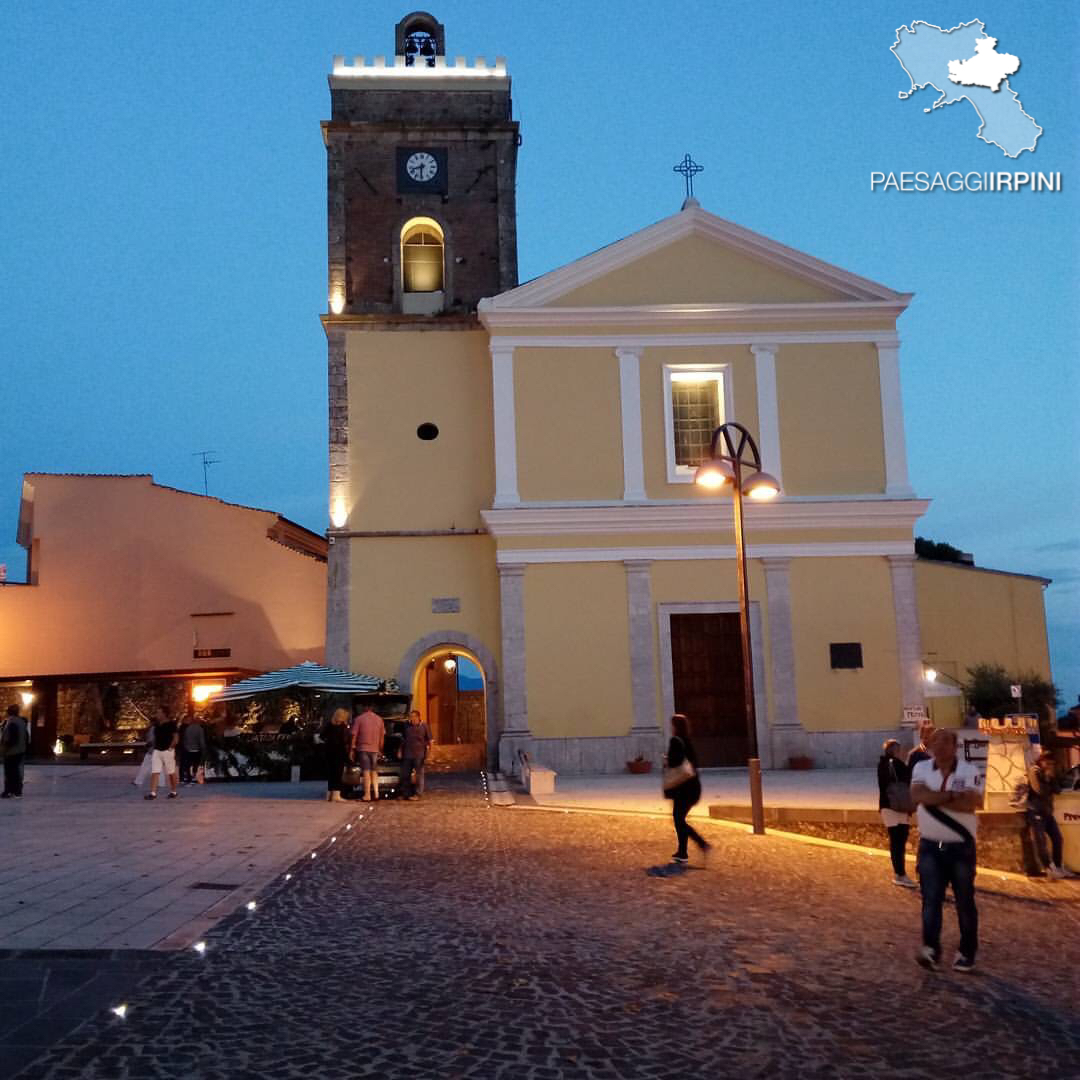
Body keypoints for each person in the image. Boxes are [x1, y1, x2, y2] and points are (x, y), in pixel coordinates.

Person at [910, 728, 984, 972]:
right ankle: (931, 949)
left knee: (965, 900)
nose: (939, 746)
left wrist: (934, 797)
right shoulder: (921, 768)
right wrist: (952, 795)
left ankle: (967, 952)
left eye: (944, 741)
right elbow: (917, 794)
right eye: (935, 741)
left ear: (955, 746)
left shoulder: (969, 771)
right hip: (930, 846)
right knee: (930, 900)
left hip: (961, 847)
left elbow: (971, 803)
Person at [663, 714, 711, 865]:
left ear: (675, 727)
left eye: (672, 725)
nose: (670, 728)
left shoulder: (675, 741)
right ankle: (682, 852)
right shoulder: (688, 741)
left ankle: (701, 844)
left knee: (679, 819)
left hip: (682, 788)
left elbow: (675, 761)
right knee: (679, 819)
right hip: (693, 786)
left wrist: (667, 760)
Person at [1025, 752, 1073, 879]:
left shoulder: (1049, 774)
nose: (1049, 765)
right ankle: (1048, 869)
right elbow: (1039, 790)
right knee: (1040, 841)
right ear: (1041, 761)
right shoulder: (1034, 771)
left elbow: (1057, 790)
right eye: (1047, 762)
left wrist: (1051, 778)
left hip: (1047, 812)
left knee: (1058, 838)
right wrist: (1047, 779)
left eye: (1052, 763)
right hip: (1036, 811)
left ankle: (1058, 866)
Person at [877, 739, 916, 888]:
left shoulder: (882, 764)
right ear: (895, 750)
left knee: (896, 841)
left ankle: (900, 873)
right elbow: (909, 778)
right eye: (899, 749)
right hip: (897, 806)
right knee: (899, 840)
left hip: (888, 806)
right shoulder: (896, 764)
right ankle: (900, 874)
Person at [350, 703, 384, 802]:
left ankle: (367, 795)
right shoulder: (379, 719)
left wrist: (352, 749)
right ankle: (377, 794)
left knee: (366, 771)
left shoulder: (359, 719)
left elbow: (354, 735)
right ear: (372, 708)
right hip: (375, 749)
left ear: (364, 708)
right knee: (374, 771)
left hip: (363, 748)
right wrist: (380, 749)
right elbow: (382, 737)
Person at [145, 708, 180, 800]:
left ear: (164, 714)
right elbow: (155, 737)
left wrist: (171, 748)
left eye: (159, 712)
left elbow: (176, 738)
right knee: (155, 771)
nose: (157, 714)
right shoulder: (157, 725)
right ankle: (153, 793)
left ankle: (173, 791)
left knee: (171, 772)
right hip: (157, 750)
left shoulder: (172, 724)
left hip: (167, 750)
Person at [401, 709, 433, 800]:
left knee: (419, 775)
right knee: (405, 774)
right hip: (407, 754)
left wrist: (429, 753)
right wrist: (400, 750)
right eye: (411, 717)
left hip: (419, 755)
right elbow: (403, 740)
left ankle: (418, 794)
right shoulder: (407, 726)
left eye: (413, 717)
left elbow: (430, 741)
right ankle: (406, 793)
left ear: (418, 717)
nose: (412, 719)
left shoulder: (424, 726)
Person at [323, 707, 350, 803]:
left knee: (331, 773)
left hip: (328, 751)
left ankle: (329, 795)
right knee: (338, 773)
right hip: (339, 752)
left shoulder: (329, 725)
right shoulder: (342, 727)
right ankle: (336, 795)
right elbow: (344, 741)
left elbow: (322, 736)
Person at [1, 704, 29, 799]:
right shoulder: (21, 722)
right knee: (16, 772)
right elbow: (26, 736)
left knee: (10, 773)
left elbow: (12, 738)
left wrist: (6, 749)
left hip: (12, 752)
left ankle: (10, 791)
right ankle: (16, 791)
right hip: (20, 750)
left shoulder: (12, 722)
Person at [179, 716, 206, 785]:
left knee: (187, 764)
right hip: (197, 749)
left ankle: (188, 778)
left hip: (188, 748)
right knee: (195, 763)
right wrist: (203, 748)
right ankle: (193, 775)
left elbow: (185, 739)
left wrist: (185, 746)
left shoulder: (187, 728)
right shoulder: (200, 729)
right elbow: (201, 740)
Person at [133, 718, 156, 787]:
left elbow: (152, 739)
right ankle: (161, 782)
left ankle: (138, 781)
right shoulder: (155, 729)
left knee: (145, 765)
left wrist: (148, 745)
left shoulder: (153, 729)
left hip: (152, 750)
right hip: (154, 750)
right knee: (155, 767)